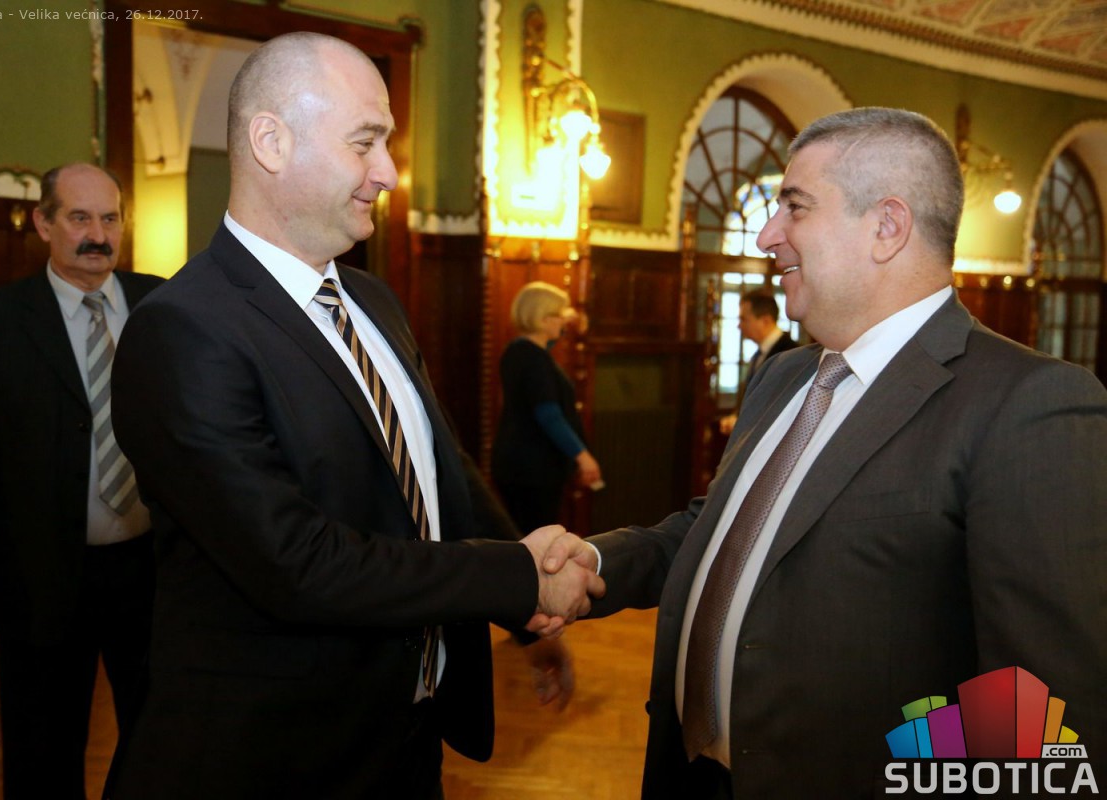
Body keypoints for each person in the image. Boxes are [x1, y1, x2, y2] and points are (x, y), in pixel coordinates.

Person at [541, 107, 1107, 796]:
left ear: (887, 227)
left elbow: (1046, 710)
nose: (767, 234)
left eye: (796, 206)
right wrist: (595, 561)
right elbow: (719, 529)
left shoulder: (1028, 403)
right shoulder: (784, 376)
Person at [104, 32, 603, 800]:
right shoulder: (184, 331)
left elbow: (440, 473)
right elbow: (297, 563)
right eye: (364, 142)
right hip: (276, 757)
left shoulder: (371, 300)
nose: (388, 173)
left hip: (406, 734)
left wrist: (524, 616)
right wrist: (516, 579)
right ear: (271, 142)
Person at [0, 163, 164, 799]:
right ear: (43, 224)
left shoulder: (163, 305)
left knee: (161, 744)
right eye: (79, 218)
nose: (98, 235)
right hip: (41, 578)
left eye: (109, 219)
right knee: (42, 752)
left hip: (152, 574)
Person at [492, 281, 602, 532]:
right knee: (538, 538)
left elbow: (544, 347)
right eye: (559, 316)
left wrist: (565, 323)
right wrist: (583, 456)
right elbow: (549, 415)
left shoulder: (518, 351)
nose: (564, 321)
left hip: (516, 463)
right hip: (534, 469)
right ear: (543, 319)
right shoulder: (535, 360)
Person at [717, 290, 797, 435]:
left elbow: (782, 406)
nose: (739, 326)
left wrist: (745, 424)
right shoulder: (758, 354)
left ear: (765, 320)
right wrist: (737, 417)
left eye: (744, 319)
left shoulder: (791, 353)